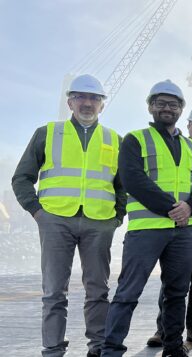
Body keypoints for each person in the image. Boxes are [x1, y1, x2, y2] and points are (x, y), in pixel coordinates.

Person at [12, 74, 125, 357]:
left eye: (94, 98)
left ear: (102, 104)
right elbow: (22, 178)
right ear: (70, 102)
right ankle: (52, 349)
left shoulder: (115, 139)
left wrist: (117, 217)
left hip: (99, 222)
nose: (87, 103)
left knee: (98, 289)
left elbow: (123, 185)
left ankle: (97, 347)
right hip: (55, 220)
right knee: (53, 292)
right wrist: (38, 212)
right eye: (81, 97)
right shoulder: (47, 132)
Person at [101, 80, 192, 357]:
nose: (167, 108)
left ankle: (173, 348)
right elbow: (132, 179)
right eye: (160, 103)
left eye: (173, 104)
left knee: (177, 293)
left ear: (181, 109)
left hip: (183, 231)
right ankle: (111, 350)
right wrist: (174, 208)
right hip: (147, 229)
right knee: (128, 293)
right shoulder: (135, 139)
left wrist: (191, 206)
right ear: (151, 107)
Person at [148, 104, 192, 349]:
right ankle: (164, 330)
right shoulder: (177, 148)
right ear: (187, 126)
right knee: (173, 281)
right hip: (178, 224)